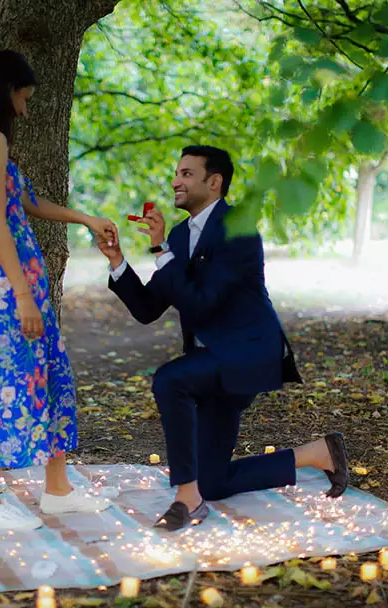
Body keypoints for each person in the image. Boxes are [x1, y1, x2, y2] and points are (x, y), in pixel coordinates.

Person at [97, 145, 350, 531]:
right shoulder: (180, 237)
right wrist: (118, 261)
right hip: (211, 361)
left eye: (186, 174)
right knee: (213, 482)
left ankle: (186, 498)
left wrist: (159, 249)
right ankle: (318, 453)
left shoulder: (239, 230)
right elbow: (148, 309)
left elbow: (203, 306)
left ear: (214, 182)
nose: (175, 181)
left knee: (171, 379)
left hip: (246, 354)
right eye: (176, 173)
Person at [0, 49, 117, 530]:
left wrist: (85, 219)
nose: (26, 108)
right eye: (23, 97)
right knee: (7, 384)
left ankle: (58, 490)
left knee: (50, 373)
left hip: (21, 277)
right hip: (6, 283)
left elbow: (29, 205)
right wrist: (20, 294)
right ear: (6, 91)